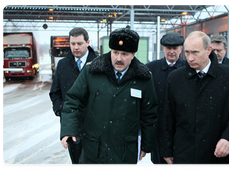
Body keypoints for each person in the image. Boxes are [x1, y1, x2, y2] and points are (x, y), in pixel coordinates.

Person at [60, 28, 158, 165]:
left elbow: (150, 113)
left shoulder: (144, 78)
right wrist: (68, 129)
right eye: (115, 52)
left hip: (125, 151)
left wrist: (146, 145)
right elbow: (73, 100)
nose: (118, 58)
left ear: (133, 54)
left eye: (124, 54)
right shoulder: (92, 71)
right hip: (95, 148)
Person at [160, 31, 229, 164]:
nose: (190, 58)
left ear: (208, 50)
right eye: (187, 52)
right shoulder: (175, 78)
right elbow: (168, 116)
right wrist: (166, 150)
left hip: (217, 152)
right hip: (184, 152)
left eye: (195, 52)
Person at [49, 27, 98, 165]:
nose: (76, 47)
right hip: (72, 125)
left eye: (79, 43)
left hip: (95, 126)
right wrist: (61, 110)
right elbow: (55, 92)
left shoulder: (98, 64)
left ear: (87, 42)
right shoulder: (63, 65)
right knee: (77, 163)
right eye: (72, 44)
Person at [146, 32, 186, 165]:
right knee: (159, 161)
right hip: (158, 126)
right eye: (168, 48)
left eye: (175, 48)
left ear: (181, 49)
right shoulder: (151, 68)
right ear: (163, 48)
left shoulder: (189, 68)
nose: (172, 51)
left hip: (182, 126)